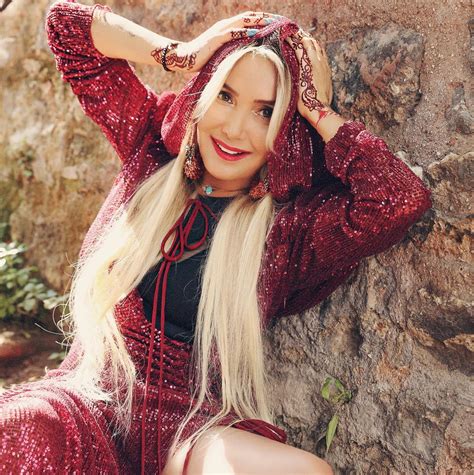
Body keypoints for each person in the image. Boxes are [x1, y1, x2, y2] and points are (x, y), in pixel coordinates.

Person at [0, 1, 432, 474]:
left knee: (304, 471)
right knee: (23, 423)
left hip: (186, 428)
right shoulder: (150, 150)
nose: (234, 127)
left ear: (288, 129)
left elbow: (399, 200)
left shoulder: (287, 233)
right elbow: (67, 26)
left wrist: (315, 108)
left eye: (266, 111)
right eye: (225, 96)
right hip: (89, 399)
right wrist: (182, 53)